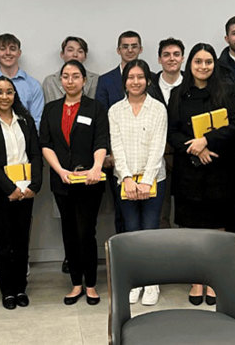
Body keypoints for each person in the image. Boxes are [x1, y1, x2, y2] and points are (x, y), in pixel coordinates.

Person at [167, 43, 235, 306]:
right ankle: (196, 280)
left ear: (215, 64)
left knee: (217, 230)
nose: (203, 67)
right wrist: (195, 149)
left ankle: (213, 280)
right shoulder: (178, 93)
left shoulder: (228, 91)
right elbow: (173, 132)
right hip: (189, 170)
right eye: (198, 62)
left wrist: (207, 141)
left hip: (220, 170)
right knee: (191, 229)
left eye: (208, 62)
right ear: (190, 64)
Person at [40, 60, 108, 306]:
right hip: (62, 181)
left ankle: (91, 285)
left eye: (75, 76)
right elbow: (45, 143)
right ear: (60, 81)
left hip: (89, 180)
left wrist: (96, 168)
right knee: (68, 232)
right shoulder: (51, 109)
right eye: (66, 76)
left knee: (86, 232)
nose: (70, 80)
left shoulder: (96, 108)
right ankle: (76, 284)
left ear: (84, 80)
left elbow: (101, 141)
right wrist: (59, 171)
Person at [0, 76, 42, 310]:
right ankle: (7, 291)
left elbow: (35, 154)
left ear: (15, 95)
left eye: (9, 92)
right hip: (0, 193)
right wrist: (10, 189)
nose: (4, 97)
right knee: (4, 242)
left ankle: (21, 288)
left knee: (22, 241)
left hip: (25, 191)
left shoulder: (26, 121)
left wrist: (33, 186)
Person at [109, 59, 167, 306]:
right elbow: (116, 147)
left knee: (150, 232)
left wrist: (145, 180)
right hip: (126, 181)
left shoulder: (157, 109)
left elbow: (158, 147)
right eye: (131, 77)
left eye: (140, 77)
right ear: (125, 81)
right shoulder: (115, 111)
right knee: (131, 232)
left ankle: (151, 283)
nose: (135, 82)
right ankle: (135, 281)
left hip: (153, 180)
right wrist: (128, 178)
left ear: (148, 80)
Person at [95, 30, 148, 235]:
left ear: (140, 49)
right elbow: (102, 121)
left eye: (134, 46)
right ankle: (124, 258)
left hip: (145, 158)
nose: (130, 50)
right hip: (116, 158)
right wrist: (108, 153)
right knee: (123, 212)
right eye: (125, 46)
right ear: (118, 50)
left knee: (147, 213)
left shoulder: (149, 78)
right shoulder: (106, 80)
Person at [148, 38, 184, 228]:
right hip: (157, 156)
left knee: (186, 209)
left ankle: (187, 254)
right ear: (159, 59)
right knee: (160, 211)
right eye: (166, 55)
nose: (172, 59)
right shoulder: (148, 85)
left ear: (183, 58)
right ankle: (163, 255)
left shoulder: (192, 84)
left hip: (187, 155)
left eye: (176, 54)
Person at [0, 33, 44, 129]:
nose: (8, 53)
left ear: (19, 53)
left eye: (12, 49)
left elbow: (37, 121)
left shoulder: (33, 85)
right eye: (3, 49)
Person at [42, 36, 99, 102]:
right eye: (70, 50)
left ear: (85, 56)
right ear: (62, 54)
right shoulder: (50, 81)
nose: (75, 55)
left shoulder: (96, 80)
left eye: (80, 51)